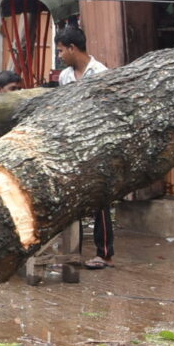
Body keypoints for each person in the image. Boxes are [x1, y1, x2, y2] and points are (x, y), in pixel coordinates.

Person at [53, 24, 115, 267]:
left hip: (97, 142)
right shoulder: (65, 77)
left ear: (72, 48)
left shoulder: (100, 72)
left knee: (100, 199)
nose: (59, 56)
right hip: (72, 143)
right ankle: (72, 252)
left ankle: (105, 253)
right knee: (72, 198)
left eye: (60, 51)